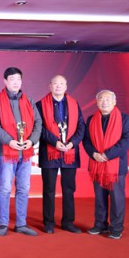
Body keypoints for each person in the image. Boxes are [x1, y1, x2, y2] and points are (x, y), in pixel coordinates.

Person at [0, 67, 42, 236]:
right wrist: (10, 141)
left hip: (25, 152)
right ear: (5, 81)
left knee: (23, 188)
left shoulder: (29, 101)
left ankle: (21, 224)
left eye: (18, 79)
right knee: (5, 188)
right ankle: (3, 224)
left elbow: (38, 123)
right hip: (6, 152)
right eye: (12, 79)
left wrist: (31, 141)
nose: (16, 82)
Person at [36, 75, 85, 234]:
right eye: (55, 83)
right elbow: (39, 127)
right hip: (49, 152)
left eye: (61, 83)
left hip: (70, 152)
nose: (58, 86)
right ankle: (49, 222)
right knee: (49, 189)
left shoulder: (74, 104)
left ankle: (68, 222)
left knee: (69, 189)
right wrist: (54, 142)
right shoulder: (40, 105)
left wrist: (72, 143)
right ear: (50, 86)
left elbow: (81, 127)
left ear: (66, 86)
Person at [83, 90, 129, 240]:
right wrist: (94, 154)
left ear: (114, 102)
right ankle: (100, 224)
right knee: (99, 197)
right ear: (97, 102)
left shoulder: (124, 119)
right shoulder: (91, 119)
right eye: (101, 99)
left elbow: (126, 141)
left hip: (116, 166)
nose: (104, 102)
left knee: (117, 198)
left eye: (108, 99)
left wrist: (106, 155)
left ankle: (116, 228)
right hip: (97, 164)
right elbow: (86, 140)